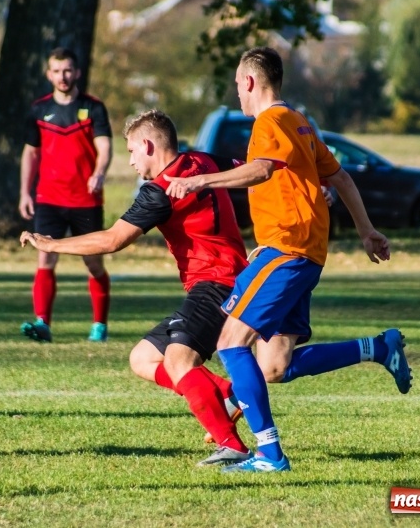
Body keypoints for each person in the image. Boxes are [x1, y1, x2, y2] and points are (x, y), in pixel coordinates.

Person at [165, 47, 412, 473]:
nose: (238, 98)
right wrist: (367, 229)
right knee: (275, 364)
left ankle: (268, 454)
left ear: (248, 82)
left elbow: (261, 170)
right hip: (303, 254)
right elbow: (341, 178)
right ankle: (378, 347)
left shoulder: (270, 121)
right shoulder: (300, 122)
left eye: (237, 88)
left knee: (230, 343)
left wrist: (200, 180)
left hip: (287, 251)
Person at [22, 109, 255, 467]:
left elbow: (113, 239)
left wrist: (51, 245)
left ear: (148, 145)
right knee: (142, 358)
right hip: (226, 280)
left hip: (216, 284)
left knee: (179, 361)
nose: (130, 160)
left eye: (131, 151)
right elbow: (252, 170)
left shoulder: (160, 191)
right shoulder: (203, 160)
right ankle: (225, 393)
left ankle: (232, 446)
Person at [18, 47, 112, 343]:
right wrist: (24, 192)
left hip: (85, 200)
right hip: (49, 198)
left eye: (68, 70)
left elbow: (105, 147)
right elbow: (31, 153)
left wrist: (98, 173)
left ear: (77, 72)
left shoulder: (93, 107)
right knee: (45, 258)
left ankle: (99, 325)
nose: (63, 76)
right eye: (57, 71)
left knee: (93, 263)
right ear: (49, 74)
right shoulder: (38, 109)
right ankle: (42, 323)